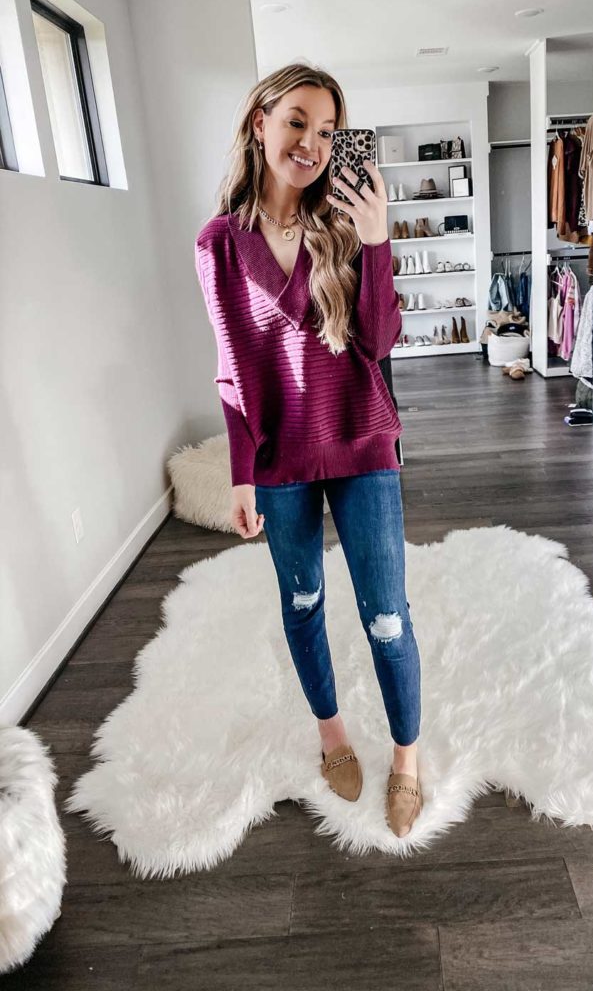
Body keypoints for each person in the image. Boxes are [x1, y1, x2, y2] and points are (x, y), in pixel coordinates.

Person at [194, 62, 423, 837]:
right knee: (302, 604)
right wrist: (241, 474)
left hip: (362, 441)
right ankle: (332, 736)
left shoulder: (347, 222)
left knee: (386, 616)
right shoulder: (219, 244)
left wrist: (377, 240)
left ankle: (407, 759)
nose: (312, 144)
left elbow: (381, 341)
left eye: (327, 131)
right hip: (281, 459)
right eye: (297, 121)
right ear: (259, 122)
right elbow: (232, 368)